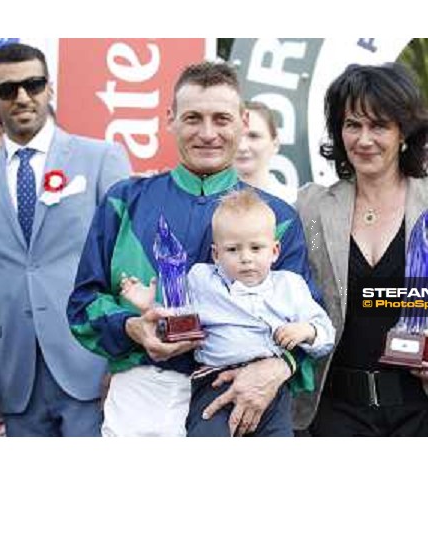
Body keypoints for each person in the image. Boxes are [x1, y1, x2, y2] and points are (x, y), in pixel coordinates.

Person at [68, 61, 321, 437]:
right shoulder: (124, 202)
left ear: (242, 119)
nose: (207, 133)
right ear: (170, 119)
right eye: (192, 118)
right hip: (143, 396)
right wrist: (134, 328)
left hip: (242, 395)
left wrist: (279, 367)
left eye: (221, 118)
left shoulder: (277, 216)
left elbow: (307, 316)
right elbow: (83, 306)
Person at [294, 62, 428, 437]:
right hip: (334, 415)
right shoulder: (311, 208)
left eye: (379, 126)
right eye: (352, 124)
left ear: (404, 132)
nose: (363, 139)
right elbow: (289, 293)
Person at [120, 189, 334, 436]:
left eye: (256, 248)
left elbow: (326, 332)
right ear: (216, 254)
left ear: (274, 251)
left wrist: (306, 330)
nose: (245, 258)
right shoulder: (203, 280)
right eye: (233, 250)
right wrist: (150, 307)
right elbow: (181, 321)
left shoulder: (290, 285)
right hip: (214, 381)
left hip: (272, 389)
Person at [0, 42, 131, 436]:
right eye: (7, 90)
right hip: (13, 373)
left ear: (50, 88)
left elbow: (125, 260)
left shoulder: (101, 157)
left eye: (33, 84)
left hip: (89, 363)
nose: (22, 97)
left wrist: (120, 360)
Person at [234, 101, 297, 203]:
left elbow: (314, 220)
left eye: (253, 136)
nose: (242, 147)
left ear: (275, 144)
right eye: (236, 136)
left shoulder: (298, 204)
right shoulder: (205, 205)